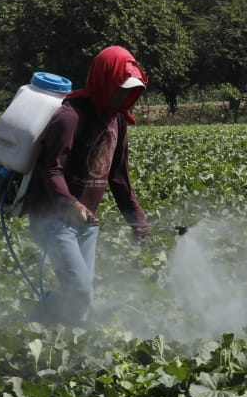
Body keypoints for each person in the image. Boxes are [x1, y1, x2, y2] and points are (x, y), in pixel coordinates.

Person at [23, 45, 151, 327]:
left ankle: (62, 342)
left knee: (80, 302)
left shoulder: (117, 119)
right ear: (104, 81)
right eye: (121, 89)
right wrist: (72, 203)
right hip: (53, 218)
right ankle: (32, 323)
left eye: (131, 91)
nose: (125, 96)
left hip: (87, 222)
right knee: (79, 290)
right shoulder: (70, 116)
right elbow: (52, 170)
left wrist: (136, 219)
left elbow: (118, 176)